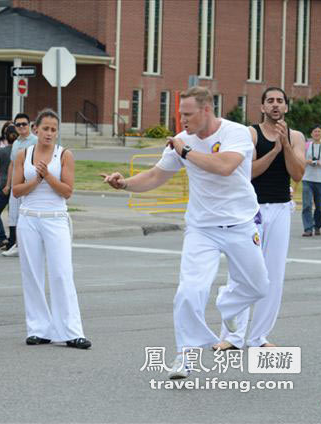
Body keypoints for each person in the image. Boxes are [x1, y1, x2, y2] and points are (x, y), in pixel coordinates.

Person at [102, 86, 269, 379]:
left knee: (258, 287)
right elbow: (156, 175)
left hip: (241, 224)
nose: (183, 120)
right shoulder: (182, 141)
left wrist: (186, 151)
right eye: (180, 114)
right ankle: (184, 357)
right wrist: (124, 183)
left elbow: (225, 167)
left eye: (188, 114)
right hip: (202, 228)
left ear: (207, 110)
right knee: (190, 291)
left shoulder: (236, 133)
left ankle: (227, 305)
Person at [215, 87, 306, 351]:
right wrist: (274, 151)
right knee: (244, 271)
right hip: (250, 210)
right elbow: (248, 172)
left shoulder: (296, 136)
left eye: (280, 101)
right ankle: (231, 337)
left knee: (273, 275)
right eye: (270, 101)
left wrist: (286, 145)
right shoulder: (250, 133)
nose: (275, 105)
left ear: (286, 107)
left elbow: (298, 173)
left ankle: (258, 338)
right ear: (262, 107)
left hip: (280, 209)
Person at [12, 109, 91, 349]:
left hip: (55, 217)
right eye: (45, 128)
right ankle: (38, 328)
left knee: (61, 273)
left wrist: (47, 176)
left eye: (53, 129)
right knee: (32, 274)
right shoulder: (23, 154)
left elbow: (67, 191)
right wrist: (35, 180)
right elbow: (16, 190)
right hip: (29, 218)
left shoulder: (64, 155)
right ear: (36, 129)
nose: (49, 133)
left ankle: (71, 331)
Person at [2, 113, 38, 257]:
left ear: (29, 125)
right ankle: (14, 243)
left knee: (26, 215)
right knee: (13, 214)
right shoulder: (16, 143)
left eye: (24, 124)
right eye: (18, 125)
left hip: (28, 184)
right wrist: (8, 184)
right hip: (16, 184)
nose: (21, 127)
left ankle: (27, 245)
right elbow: (12, 164)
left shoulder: (35, 141)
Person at [0, 124, 18, 251]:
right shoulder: (23, 151)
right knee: (14, 215)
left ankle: (2, 237)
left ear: (5, 138)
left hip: (3, 186)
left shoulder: (1, 151)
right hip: (18, 186)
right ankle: (14, 240)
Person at [302, 125, 321, 236]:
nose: (317, 133)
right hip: (307, 179)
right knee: (307, 205)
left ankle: (317, 226)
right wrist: (308, 161)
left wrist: (320, 163)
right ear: (311, 134)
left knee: (319, 206)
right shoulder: (307, 146)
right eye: (315, 131)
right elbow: (301, 158)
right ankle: (308, 229)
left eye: (319, 131)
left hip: (320, 180)